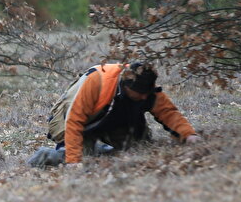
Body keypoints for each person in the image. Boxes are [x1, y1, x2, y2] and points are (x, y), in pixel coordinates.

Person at [28, 62, 203, 167]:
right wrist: (74, 162)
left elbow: (168, 112)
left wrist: (189, 135)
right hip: (68, 120)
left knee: (138, 147)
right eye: (140, 93)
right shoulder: (98, 81)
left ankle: (100, 148)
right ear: (126, 86)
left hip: (109, 120)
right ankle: (45, 155)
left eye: (146, 93)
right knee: (81, 156)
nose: (144, 97)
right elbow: (74, 120)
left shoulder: (145, 87)